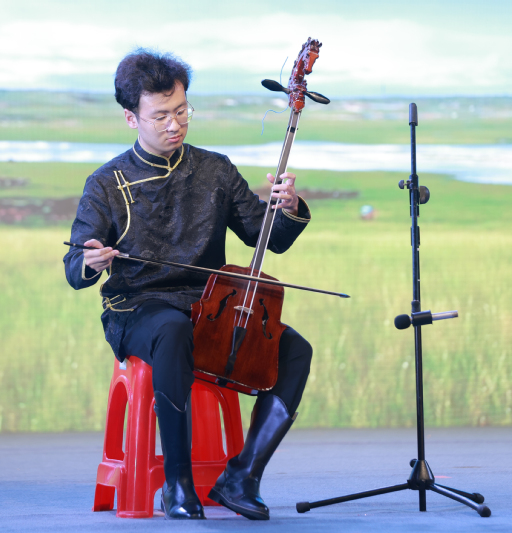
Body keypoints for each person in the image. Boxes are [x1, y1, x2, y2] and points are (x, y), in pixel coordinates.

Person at [63, 49, 313, 521]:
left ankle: (242, 476)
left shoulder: (215, 170)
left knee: (295, 350)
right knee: (172, 329)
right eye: (160, 116)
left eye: (182, 111)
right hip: (138, 311)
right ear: (131, 118)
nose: (175, 125)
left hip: (209, 308)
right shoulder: (106, 183)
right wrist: (90, 261)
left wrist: (288, 208)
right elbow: (74, 267)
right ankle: (177, 483)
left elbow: (268, 239)